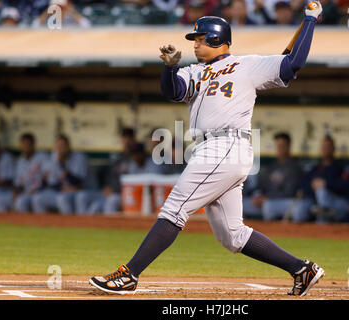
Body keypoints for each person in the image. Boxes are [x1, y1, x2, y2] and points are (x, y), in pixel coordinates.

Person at [90, 3, 325, 297]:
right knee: (232, 235)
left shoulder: (246, 65)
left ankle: (129, 274)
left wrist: (310, 20)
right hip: (213, 148)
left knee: (175, 208)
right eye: (196, 40)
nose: (196, 44)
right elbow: (172, 91)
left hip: (226, 145)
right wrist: (169, 67)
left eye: (200, 39)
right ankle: (303, 270)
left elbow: (293, 64)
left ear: (217, 40)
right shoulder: (194, 71)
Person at [76, 128, 136, 215]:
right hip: (109, 192)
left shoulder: (136, 157)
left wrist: (114, 190)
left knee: (112, 201)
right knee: (88, 202)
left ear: (133, 139)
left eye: (128, 137)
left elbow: (132, 180)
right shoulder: (118, 158)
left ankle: (111, 227)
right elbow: (109, 176)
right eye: (124, 137)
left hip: (123, 194)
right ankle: (82, 226)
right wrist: (106, 187)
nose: (126, 140)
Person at [250, 132, 304, 221]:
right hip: (267, 200)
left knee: (268, 205)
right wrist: (258, 195)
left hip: (287, 201)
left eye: (282, 146)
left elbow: (289, 192)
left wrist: (267, 197)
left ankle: (274, 233)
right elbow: (262, 187)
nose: (280, 149)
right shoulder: (272, 167)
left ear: (289, 147)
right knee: (241, 205)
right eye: (278, 146)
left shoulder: (294, 167)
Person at [296, 135, 349, 223]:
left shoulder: (340, 167)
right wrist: (312, 185)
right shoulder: (316, 168)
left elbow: (345, 186)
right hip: (315, 202)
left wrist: (326, 184)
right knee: (301, 208)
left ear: (333, 148)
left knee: (322, 192)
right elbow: (302, 184)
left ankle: (322, 221)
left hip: (336, 202)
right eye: (324, 147)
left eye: (328, 147)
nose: (326, 149)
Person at [31, 134, 89, 215]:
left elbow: (78, 183)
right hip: (61, 191)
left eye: (62, 146)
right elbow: (52, 182)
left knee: (62, 198)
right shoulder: (54, 157)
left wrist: (62, 166)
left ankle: (69, 224)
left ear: (68, 146)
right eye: (58, 147)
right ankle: (43, 225)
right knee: (37, 198)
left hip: (78, 191)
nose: (60, 149)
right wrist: (59, 187)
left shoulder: (79, 157)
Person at [13, 133, 49, 213]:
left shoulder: (42, 156)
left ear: (33, 144)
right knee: (20, 201)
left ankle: (43, 223)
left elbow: (47, 176)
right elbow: (18, 183)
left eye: (28, 144)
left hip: (41, 191)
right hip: (27, 192)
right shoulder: (21, 161)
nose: (26, 146)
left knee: (37, 199)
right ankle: (24, 224)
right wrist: (16, 193)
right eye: (24, 144)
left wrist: (38, 189)